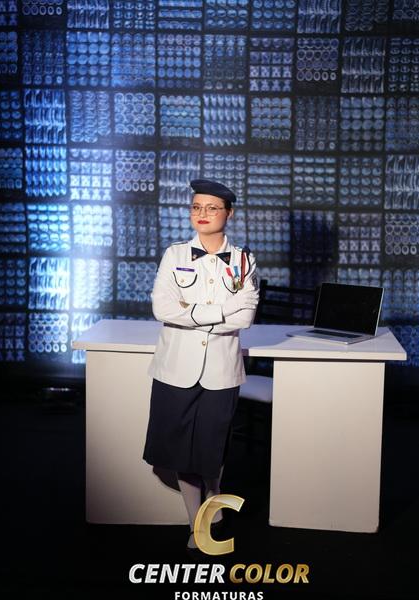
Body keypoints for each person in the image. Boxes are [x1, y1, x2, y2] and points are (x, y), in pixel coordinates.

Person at [143, 178, 259, 553]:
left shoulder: (243, 260)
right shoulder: (174, 254)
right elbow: (162, 309)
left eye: (211, 208)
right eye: (196, 207)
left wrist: (190, 314)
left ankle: (214, 495)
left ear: (229, 213)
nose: (202, 214)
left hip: (222, 371)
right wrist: (223, 310)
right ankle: (198, 524)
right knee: (179, 451)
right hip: (175, 368)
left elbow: (244, 318)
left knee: (212, 451)